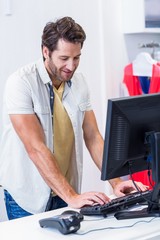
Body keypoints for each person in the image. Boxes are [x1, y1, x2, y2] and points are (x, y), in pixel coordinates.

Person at [0, 16, 148, 220]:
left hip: (66, 188)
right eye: (64, 58)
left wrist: (116, 182)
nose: (71, 65)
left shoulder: (79, 82)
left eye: (76, 57)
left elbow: (93, 136)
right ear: (46, 51)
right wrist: (72, 196)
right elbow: (35, 148)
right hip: (27, 194)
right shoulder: (21, 83)